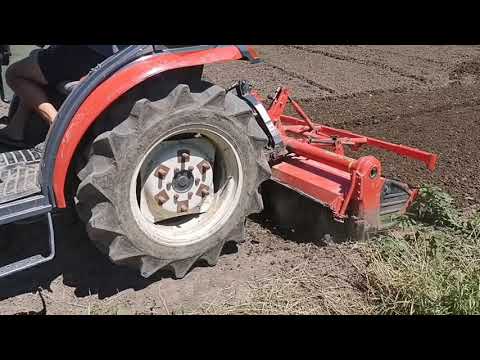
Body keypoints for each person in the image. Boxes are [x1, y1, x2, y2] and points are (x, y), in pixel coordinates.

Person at [0, 45, 128, 147]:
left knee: (14, 73)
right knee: (34, 65)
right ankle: (16, 129)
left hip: (89, 53)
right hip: (117, 55)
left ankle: (57, 126)